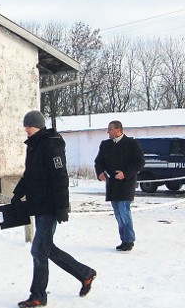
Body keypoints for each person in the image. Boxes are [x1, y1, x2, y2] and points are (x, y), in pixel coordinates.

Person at [12, 111, 96, 308]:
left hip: (50, 206)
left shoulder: (51, 144)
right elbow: (30, 175)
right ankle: (85, 274)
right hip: (39, 205)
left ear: (38, 126)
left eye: (28, 126)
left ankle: (38, 296)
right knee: (45, 248)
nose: (26, 129)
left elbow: (60, 177)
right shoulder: (34, 145)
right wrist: (18, 194)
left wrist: (62, 207)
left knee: (39, 250)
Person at [94, 120, 145, 252]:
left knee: (124, 211)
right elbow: (98, 161)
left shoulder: (131, 144)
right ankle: (124, 239)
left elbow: (139, 162)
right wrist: (100, 173)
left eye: (110, 129)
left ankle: (129, 240)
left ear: (118, 130)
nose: (108, 132)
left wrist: (125, 173)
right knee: (117, 213)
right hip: (112, 185)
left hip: (126, 184)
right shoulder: (105, 145)